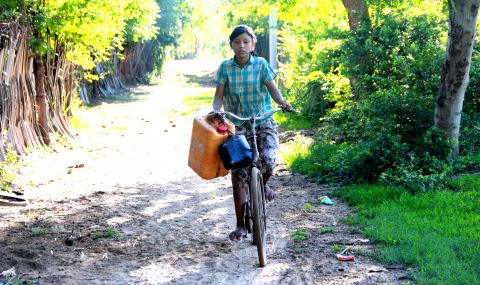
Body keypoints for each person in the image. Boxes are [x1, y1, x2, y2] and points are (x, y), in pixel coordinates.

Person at [211, 25, 291, 241]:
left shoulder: (262, 65)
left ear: (253, 44)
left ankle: (263, 185)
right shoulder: (225, 68)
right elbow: (219, 95)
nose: (241, 46)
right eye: (237, 42)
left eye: (246, 42)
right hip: (238, 124)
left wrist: (282, 102)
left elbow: (272, 88)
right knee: (238, 174)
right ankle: (240, 225)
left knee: (268, 160)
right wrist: (217, 111)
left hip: (263, 119)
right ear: (231, 45)